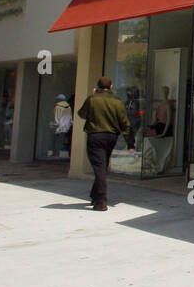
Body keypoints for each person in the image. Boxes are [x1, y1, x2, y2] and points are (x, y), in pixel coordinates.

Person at [77, 76, 133, 211]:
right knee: (102, 166)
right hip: (111, 137)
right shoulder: (117, 102)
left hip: (95, 136)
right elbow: (125, 124)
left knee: (99, 167)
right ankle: (95, 195)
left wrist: (94, 95)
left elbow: (81, 114)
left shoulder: (92, 99)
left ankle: (101, 200)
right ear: (111, 87)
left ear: (98, 87)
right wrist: (131, 143)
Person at [51, 94, 73, 158]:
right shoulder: (68, 107)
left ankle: (57, 154)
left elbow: (56, 118)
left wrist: (56, 126)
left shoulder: (57, 107)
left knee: (58, 141)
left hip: (59, 127)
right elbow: (70, 118)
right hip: (67, 127)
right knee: (64, 141)